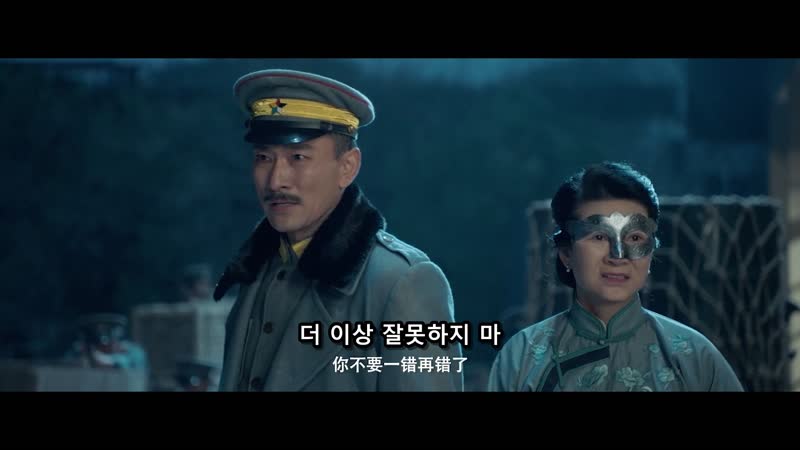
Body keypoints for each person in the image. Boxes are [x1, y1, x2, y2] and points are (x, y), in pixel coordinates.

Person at [212, 69, 463, 391]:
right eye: (263, 157)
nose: (276, 181)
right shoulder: (257, 271)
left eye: (298, 157)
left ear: (348, 167)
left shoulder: (402, 282)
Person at [488, 162, 743, 391]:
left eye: (635, 237)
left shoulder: (694, 357)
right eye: (599, 236)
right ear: (566, 253)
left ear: (651, 252)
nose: (618, 256)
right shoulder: (522, 357)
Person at [64, 313, 148, 371]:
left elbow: (117, 365)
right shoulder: (78, 351)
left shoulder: (133, 351)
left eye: (107, 328)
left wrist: (91, 354)